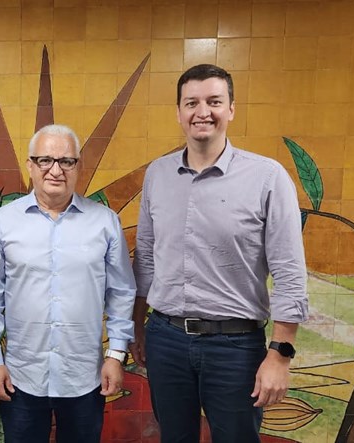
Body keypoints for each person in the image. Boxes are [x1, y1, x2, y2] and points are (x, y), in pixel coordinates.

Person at [131, 63, 308, 442]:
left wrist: (280, 354)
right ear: (179, 112)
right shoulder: (157, 174)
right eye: (191, 103)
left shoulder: (267, 177)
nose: (202, 112)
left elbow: (289, 270)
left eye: (214, 101)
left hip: (235, 347)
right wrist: (137, 326)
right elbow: (145, 256)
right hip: (166, 339)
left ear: (231, 109)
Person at [0, 124, 136, 443]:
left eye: (66, 161)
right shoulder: (3, 222)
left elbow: (121, 293)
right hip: (21, 377)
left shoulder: (104, 222)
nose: (56, 170)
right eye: (45, 160)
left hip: (84, 376)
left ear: (78, 166)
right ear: (30, 165)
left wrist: (116, 355)